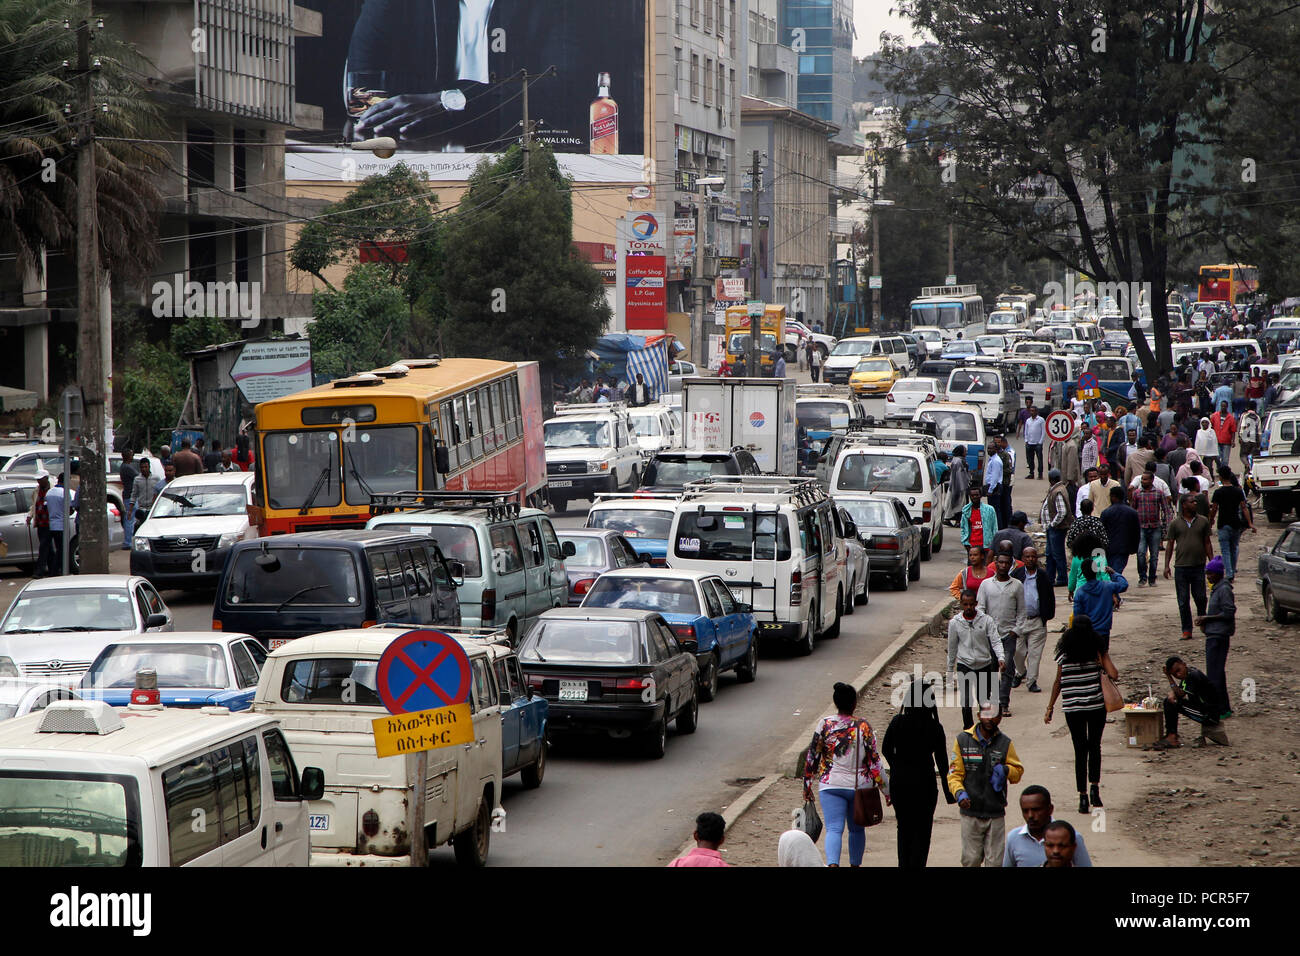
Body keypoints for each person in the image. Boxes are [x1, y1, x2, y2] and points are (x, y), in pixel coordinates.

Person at [802, 683, 885, 867]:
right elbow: (874, 762)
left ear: (836, 703)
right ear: (854, 703)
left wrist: (807, 786)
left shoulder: (824, 724)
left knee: (833, 829)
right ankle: (855, 865)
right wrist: (886, 790)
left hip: (830, 785)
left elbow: (812, 757)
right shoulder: (863, 726)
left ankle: (832, 864)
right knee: (856, 830)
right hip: (859, 787)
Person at [1045, 614, 1118, 813]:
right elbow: (1114, 674)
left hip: (1073, 708)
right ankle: (1095, 788)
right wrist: (1102, 656)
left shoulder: (1064, 654)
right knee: (1095, 746)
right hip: (1095, 706)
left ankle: (1082, 797)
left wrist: (1050, 707)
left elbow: (1058, 682)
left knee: (1080, 750)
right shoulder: (1096, 650)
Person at [883, 679, 955, 868]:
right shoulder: (934, 727)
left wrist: (897, 765)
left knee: (904, 829)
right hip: (925, 784)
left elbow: (886, 749)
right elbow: (942, 762)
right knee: (922, 833)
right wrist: (949, 792)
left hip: (901, 785)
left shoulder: (898, 722)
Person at [947, 703, 1024, 867]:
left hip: (995, 812)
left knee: (995, 862)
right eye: (986, 714)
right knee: (971, 859)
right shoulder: (962, 741)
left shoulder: (1005, 743)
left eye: (994, 715)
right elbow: (954, 774)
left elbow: (1018, 771)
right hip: (970, 813)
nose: (990, 719)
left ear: (1000, 718)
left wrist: (1006, 770)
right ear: (979, 715)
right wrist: (960, 793)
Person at [978, 552, 1027, 717]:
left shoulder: (1017, 585)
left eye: (1007, 563)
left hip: (1008, 635)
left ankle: (1003, 704)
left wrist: (1016, 630)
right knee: (988, 670)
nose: (1004, 566)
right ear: (995, 563)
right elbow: (980, 609)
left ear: (1011, 565)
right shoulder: (986, 585)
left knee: (1007, 669)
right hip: (989, 636)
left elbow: (1022, 612)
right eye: (1001, 563)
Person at [947, 589, 1003, 729]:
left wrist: (1001, 657)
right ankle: (968, 728)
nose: (969, 607)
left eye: (971, 604)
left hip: (984, 664)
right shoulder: (955, 623)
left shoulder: (986, 620)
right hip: (964, 664)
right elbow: (952, 646)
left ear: (976, 604)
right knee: (966, 701)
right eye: (965, 604)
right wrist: (949, 668)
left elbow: (995, 640)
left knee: (983, 700)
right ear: (961, 604)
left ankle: (985, 727)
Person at [1165, 492, 1214, 641]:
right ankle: (1186, 630)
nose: (1195, 504)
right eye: (1192, 502)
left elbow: (1207, 542)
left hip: (1198, 566)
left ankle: (1204, 624)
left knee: (1200, 598)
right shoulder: (1175, 523)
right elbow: (1170, 544)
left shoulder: (1203, 521)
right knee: (1183, 600)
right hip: (1181, 567)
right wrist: (1166, 565)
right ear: (1184, 505)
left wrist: (1212, 563)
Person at [1003, 785, 1094, 867]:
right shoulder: (1013, 838)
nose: (1030, 815)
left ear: (1050, 809)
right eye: (1025, 811)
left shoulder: (1071, 837)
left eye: (1036, 810)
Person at [1156, 656, 1230, 748]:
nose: (1178, 675)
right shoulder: (1187, 674)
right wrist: (1171, 687)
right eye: (1175, 674)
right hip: (1203, 710)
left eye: (1178, 670)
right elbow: (1180, 693)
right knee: (1170, 701)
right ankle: (1171, 736)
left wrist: (1169, 677)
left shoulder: (1193, 676)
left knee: (1172, 702)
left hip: (1208, 715)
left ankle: (1172, 737)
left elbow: (1179, 694)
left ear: (1184, 664)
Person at [1196, 556, 1235, 720]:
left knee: (1214, 674)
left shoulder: (1224, 589)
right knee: (1217, 673)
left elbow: (1228, 612)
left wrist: (1207, 619)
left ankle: (1219, 708)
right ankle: (1223, 707)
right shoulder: (1218, 588)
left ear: (1218, 574)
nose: (1208, 577)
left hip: (1219, 636)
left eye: (1210, 574)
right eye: (1207, 574)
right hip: (1214, 634)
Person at [1011, 546, 1055, 693]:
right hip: (1019, 621)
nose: (1030, 559)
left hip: (1037, 621)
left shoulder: (1043, 576)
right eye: (1027, 556)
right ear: (1022, 559)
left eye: (1033, 556)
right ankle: (1020, 672)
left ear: (1037, 558)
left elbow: (1050, 597)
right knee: (1018, 651)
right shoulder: (1016, 574)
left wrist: (1047, 616)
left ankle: (1031, 681)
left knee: (1035, 654)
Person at [1209, 466, 1254, 583]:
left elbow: (1214, 509)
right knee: (1233, 548)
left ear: (1221, 477)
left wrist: (1210, 521)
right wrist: (1249, 523)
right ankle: (1232, 572)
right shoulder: (1238, 491)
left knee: (1225, 550)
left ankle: (1229, 573)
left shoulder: (1218, 492)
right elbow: (1244, 508)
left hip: (1223, 523)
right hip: (1236, 523)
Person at [1072, 559, 1127, 652]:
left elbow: (1077, 616)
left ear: (1083, 574)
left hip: (1087, 632)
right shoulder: (1107, 586)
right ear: (1096, 571)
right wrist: (1113, 573)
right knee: (1103, 656)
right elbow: (1124, 584)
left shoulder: (1080, 593)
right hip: (1104, 631)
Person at [1132, 470, 1173, 587]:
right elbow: (1133, 510)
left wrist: (1167, 526)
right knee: (1140, 553)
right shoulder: (1137, 494)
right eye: (1142, 479)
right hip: (1141, 527)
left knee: (1154, 555)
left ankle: (1152, 578)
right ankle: (1142, 577)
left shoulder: (1159, 493)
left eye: (1145, 479)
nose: (1143, 481)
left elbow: (1166, 510)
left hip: (1155, 527)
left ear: (1152, 480)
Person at [1040, 469, 1074, 587]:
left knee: (1057, 554)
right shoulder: (1056, 489)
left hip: (1057, 529)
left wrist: (1052, 524)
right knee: (1050, 554)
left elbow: (1062, 512)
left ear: (1051, 479)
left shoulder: (1058, 491)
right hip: (1052, 529)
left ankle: (1062, 578)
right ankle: (1050, 577)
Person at [1100, 485, 1140, 574]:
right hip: (1124, 547)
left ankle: (1113, 584)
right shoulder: (1132, 512)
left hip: (1109, 547)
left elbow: (1101, 531)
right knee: (1117, 570)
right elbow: (1136, 532)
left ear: (1113, 497)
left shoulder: (1106, 512)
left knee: (1111, 569)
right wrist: (1135, 547)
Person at [25, 471, 52, 578]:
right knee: (48, 547)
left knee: (44, 547)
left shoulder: (52, 489)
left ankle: (39, 571)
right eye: (38, 479)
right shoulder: (37, 490)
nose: (39, 481)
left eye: (41, 479)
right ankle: (54, 569)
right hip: (40, 522)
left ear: (46, 478)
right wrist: (30, 515)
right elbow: (34, 505)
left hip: (50, 522)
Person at [44, 472, 71, 576]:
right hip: (62, 525)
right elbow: (69, 510)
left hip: (52, 525)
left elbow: (46, 508)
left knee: (57, 548)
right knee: (62, 550)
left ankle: (56, 570)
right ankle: (56, 571)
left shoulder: (50, 492)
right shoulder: (64, 492)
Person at [960, 486, 998, 553]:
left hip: (986, 547)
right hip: (972, 547)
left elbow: (994, 528)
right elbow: (963, 528)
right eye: (972, 495)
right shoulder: (966, 511)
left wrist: (994, 545)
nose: (975, 497)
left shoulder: (989, 510)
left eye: (977, 495)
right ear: (970, 496)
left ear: (980, 496)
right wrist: (966, 544)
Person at [118, 448, 138, 550]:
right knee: (130, 518)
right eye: (131, 455)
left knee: (130, 518)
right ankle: (128, 542)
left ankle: (128, 541)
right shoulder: (127, 467)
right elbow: (138, 477)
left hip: (128, 495)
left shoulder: (124, 466)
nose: (132, 456)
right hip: (130, 496)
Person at [1210, 403, 1237, 469]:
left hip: (1227, 441)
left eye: (1224, 406)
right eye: (1222, 406)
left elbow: (1233, 431)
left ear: (1227, 407)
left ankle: (1224, 472)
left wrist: (1233, 441)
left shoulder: (1230, 418)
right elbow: (1211, 427)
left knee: (1225, 459)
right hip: (1216, 440)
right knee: (1217, 457)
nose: (1223, 407)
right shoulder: (1215, 416)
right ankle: (1219, 467)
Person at [1237, 401, 1261, 471]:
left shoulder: (1244, 415)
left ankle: (1247, 465)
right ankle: (1252, 469)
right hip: (1254, 439)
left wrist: (1240, 436)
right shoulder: (1257, 417)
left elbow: (1241, 427)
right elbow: (1259, 432)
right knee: (1254, 456)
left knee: (1243, 455)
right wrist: (1259, 442)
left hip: (1245, 438)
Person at [1023, 406, 1045, 478]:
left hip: (1037, 443)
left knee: (1039, 459)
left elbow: (1043, 432)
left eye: (1033, 411)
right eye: (1030, 411)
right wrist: (1026, 440)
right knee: (1030, 459)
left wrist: (1040, 442)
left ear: (1036, 412)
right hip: (1029, 443)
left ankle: (1040, 474)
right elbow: (1026, 431)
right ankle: (1031, 473)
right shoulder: (1028, 420)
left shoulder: (1041, 420)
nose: (1031, 412)